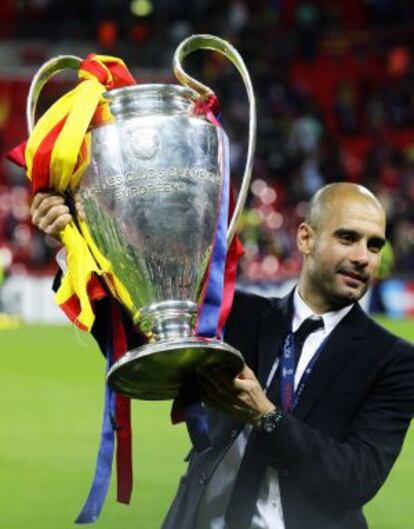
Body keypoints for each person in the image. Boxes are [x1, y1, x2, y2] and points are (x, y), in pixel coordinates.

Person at [31, 182, 414, 529]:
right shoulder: (236, 314)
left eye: (374, 244)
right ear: (305, 238)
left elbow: (354, 480)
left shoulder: (394, 361)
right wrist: (72, 245)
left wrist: (266, 417)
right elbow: (139, 341)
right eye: (348, 238)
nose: (364, 256)